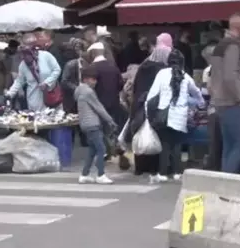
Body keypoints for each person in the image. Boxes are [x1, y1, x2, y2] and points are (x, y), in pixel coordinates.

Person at [146, 50, 202, 183]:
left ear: (168, 62)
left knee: (165, 144)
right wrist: (200, 103)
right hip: (180, 116)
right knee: (177, 144)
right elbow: (197, 93)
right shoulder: (185, 76)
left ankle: (163, 173)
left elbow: (152, 95)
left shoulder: (161, 74)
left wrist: (148, 113)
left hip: (163, 115)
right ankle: (177, 172)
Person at [209, 13, 240, 174]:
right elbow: (230, 75)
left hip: (219, 101)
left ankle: (225, 181)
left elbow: (214, 76)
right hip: (232, 102)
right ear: (238, 27)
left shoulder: (220, 46)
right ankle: (226, 181)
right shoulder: (234, 45)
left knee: (229, 146)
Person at [126, 36, 171, 177]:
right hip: (154, 105)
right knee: (154, 135)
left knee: (140, 133)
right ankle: (153, 167)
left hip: (139, 105)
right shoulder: (163, 69)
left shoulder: (143, 66)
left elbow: (135, 87)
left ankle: (139, 167)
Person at [74, 66, 117, 184]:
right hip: (92, 124)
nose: (95, 82)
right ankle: (101, 174)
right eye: (93, 79)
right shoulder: (88, 92)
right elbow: (99, 108)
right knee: (101, 149)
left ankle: (84, 174)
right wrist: (110, 120)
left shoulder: (79, 90)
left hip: (85, 124)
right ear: (86, 79)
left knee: (92, 150)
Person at [5, 33, 61, 111]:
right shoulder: (23, 65)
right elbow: (19, 81)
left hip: (52, 96)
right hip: (34, 100)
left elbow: (57, 69)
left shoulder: (46, 56)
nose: (25, 57)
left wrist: (47, 83)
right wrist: (10, 94)